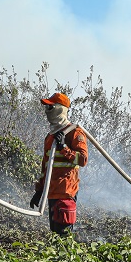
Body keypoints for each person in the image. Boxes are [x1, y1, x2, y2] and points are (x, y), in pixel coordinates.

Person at [29, 92, 89, 236]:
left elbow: (82, 160)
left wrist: (64, 148)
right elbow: (46, 167)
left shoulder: (74, 132)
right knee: (55, 234)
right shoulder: (50, 136)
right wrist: (40, 190)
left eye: (50, 106)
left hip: (66, 192)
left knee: (64, 236)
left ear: (60, 109)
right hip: (52, 193)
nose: (47, 111)